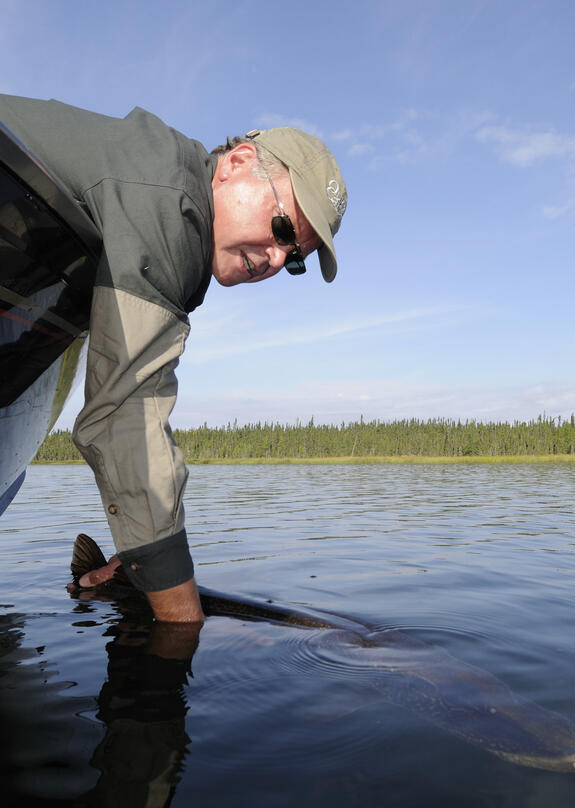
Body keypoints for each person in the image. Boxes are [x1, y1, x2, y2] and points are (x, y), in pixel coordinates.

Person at [0, 95, 347, 623]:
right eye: (282, 229)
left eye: (293, 258)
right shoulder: (171, 211)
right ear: (236, 164)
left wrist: (142, 563)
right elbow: (126, 421)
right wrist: (183, 620)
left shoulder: (165, 189)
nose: (277, 259)